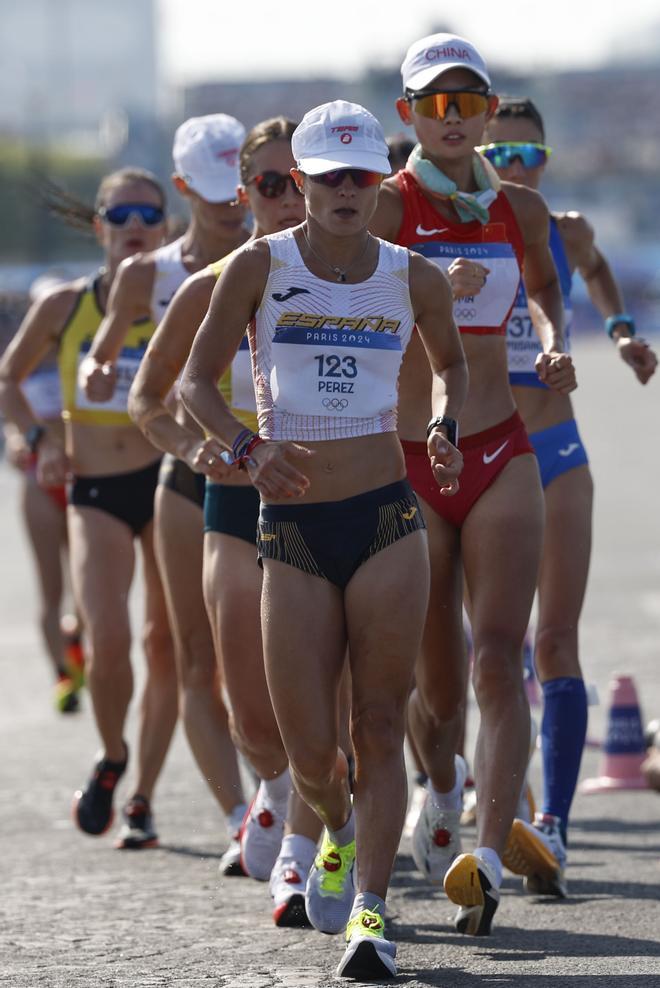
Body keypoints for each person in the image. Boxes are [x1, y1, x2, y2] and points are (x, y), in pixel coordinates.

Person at [180, 99, 466, 980]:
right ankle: (335, 830)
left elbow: (451, 365)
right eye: (329, 175)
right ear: (298, 183)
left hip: (386, 518)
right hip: (294, 530)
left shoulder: (410, 275)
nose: (347, 189)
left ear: (381, 184)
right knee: (311, 753)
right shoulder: (257, 267)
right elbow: (195, 383)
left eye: (362, 176)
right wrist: (248, 448)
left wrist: (447, 424)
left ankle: (371, 916)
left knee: (379, 723)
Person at [370, 33, 577, 935]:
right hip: (413, 459)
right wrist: (420, 291)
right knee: (438, 688)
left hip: (500, 448)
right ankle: (441, 785)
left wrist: (554, 336)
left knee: (500, 655)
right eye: (434, 104)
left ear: (491, 112)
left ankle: (487, 853)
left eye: (470, 104)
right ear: (409, 113)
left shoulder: (521, 208)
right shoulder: (382, 203)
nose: (453, 120)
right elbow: (348, 308)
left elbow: (541, 291)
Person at [128, 116, 324, 909]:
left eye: (295, 181)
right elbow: (153, 393)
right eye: (268, 184)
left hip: (332, 502)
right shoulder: (211, 285)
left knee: (327, 690)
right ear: (246, 194)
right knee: (243, 696)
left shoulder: (371, 275)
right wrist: (202, 444)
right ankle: (270, 788)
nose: (284, 197)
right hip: (233, 496)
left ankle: (315, 848)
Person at [477, 97, 657, 895]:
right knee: (483, 648)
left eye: (528, 157)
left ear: (546, 159)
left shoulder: (567, 225)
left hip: (556, 447)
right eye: (502, 157)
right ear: (481, 155)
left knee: (553, 641)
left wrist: (620, 333)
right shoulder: (456, 229)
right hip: (483, 455)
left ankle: (551, 823)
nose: (517, 170)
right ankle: (468, 800)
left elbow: (596, 271)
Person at [80, 115, 252, 857]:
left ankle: (301, 798)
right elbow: (109, 347)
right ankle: (216, 810)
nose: (236, 203)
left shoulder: (277, 253)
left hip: (277, 472)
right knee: (176, 651)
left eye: (247, 185)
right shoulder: (149, 275)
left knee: (276, 655)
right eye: (216, 193)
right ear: (187, 188)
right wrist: (96, 368)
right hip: (182, 466)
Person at [0, 168, 178, 848]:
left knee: (167, 646)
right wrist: (36, 437)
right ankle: (113, 756)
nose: (136, 225)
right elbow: (9, 379)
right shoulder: (68, 305)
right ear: (100, 226)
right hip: (96, 489)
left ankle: (144, 798)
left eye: (149, 214)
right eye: (121, 213)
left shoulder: (184, 298)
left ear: (166, 228)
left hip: (167, 481)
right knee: (106, 643)